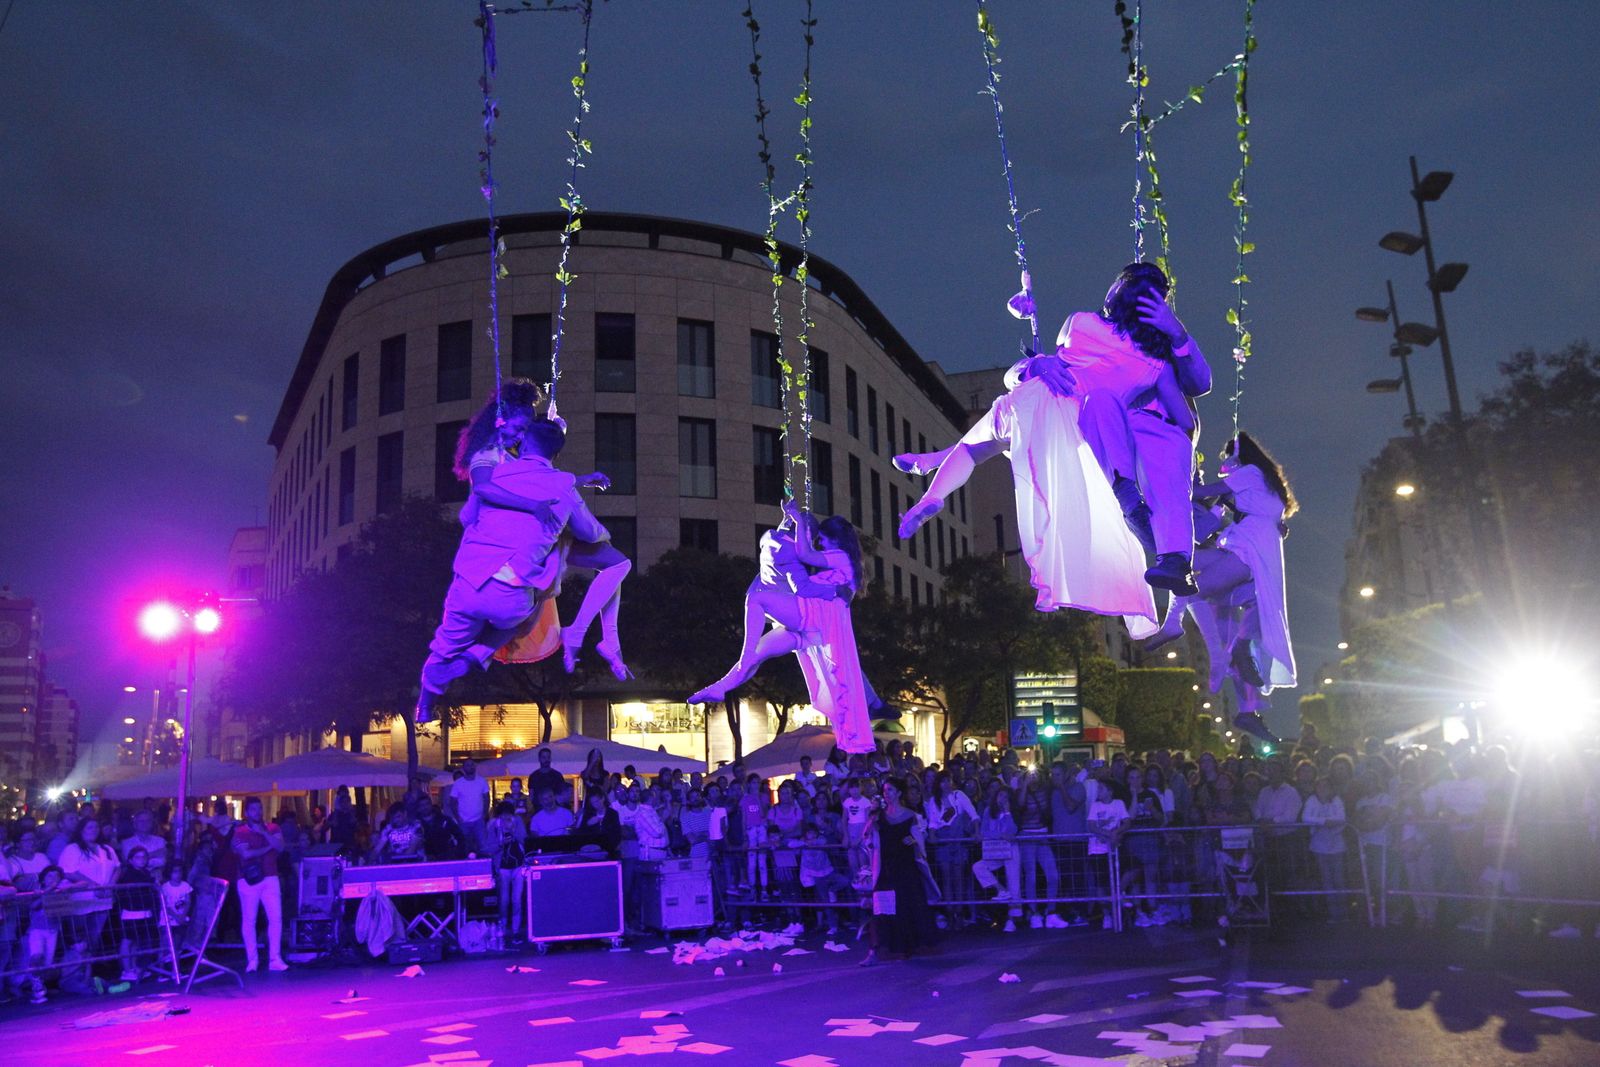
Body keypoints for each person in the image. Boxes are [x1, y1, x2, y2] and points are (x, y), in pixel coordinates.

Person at [895, 269, 1193, 627]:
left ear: (1117, 295)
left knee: (974, 449)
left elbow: (1039, 367)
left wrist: (1038, 362)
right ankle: (934, 466)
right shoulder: (1157, 367)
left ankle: (933, 494)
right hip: (1077, 427)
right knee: (990, 452)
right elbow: (1185, 422)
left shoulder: (1080, 322)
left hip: (1035, 402)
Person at [416, 416, 616, 723]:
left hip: (469, 583)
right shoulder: (563, 486)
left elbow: (468, 518)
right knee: (528, 614)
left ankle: (425, 705)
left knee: (442, 647)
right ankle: (476, 656)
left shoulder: (491, 475)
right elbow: (590, 533)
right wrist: (601, 535)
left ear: (522, 444)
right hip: (511, 595)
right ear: (556, 454)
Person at [1148, 432, 1298, 742]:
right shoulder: (1260, 485)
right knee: (1243, 616)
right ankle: (1246, 704)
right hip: (1253, 557)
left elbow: (1204, 492)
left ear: (1239, 457)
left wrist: (1169, 482)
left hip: (1245, 553)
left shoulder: (1248, 474)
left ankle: (1178, 627)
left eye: (1227, 458)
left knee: (1194, 587)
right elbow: (1219, 515)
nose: (1224, 465)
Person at [690, 503, 874, 753]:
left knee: (756, 600)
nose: (819, 545)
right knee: (758, 653)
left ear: (835, 539)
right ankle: (721, 687)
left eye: (822, 540)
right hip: (808, 632)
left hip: (810, 619)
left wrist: (797, 521)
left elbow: (806, 557)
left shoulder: (840, 556)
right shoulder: (837, 562)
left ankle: (742, 660)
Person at [861, 777, 933, 964]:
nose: (887, 793)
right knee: (881, 909)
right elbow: (867, 838)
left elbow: (920, 843)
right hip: (886, 869)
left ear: (899, 793)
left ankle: (903, 947)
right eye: (885, 790)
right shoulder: (879, 816)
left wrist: (914, 842)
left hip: (905, 869)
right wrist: (872, 816)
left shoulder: (910, 816)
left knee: (904, 908)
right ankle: (876, 949)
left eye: (891, 790)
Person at [233, 797, 288, 973]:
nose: (258, 812)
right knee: (249, 920)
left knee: (276, 918)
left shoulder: (273, 828)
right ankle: (252, 960)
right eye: (254, 809)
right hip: (248, 880)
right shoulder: (240, 832)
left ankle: (275, 958)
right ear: (247, 812)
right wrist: (267, 848)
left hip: (271, 877)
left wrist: (264, 833)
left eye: (260, 808)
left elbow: (280, 847)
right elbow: (246, 854)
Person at [115, 845, 158, 981]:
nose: (142, 860)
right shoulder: (129, 875)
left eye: (144, 857)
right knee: (127, 941)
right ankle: (127, 970)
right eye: (138, 857)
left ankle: (134, 968)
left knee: (136, 943)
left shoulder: (145, 872)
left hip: (144, 912)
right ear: (130, 860)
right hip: (131, 913)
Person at [448, 758, 492, 854]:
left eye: (472, 764)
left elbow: (487, 798)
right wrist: (458, 817)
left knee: (483, 847)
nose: (470, 767)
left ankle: (484, 867)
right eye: (468, 765)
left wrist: (484, 815)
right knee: (465, 847)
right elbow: (452, 802)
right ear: (463, 768)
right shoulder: (458, 783)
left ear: (475, 766)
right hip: (463, 821)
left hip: (479, 820)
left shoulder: (482, 781)